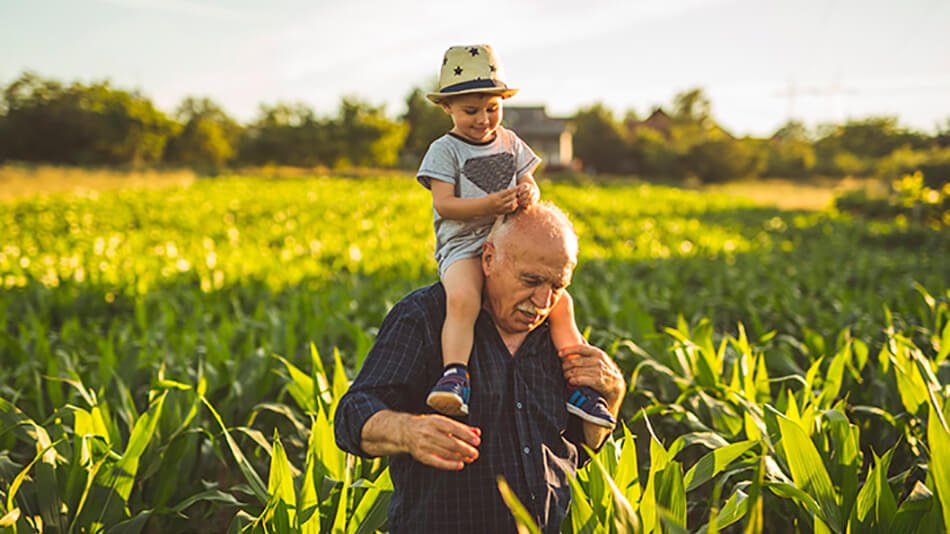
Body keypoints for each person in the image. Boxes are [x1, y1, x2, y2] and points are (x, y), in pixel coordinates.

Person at [335, 203, 626, 532]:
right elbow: (353, 414)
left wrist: (612, 394)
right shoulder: (426, 316)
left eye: (558, 286)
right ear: (489, 259)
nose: (543, 301)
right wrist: (411, 432)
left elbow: (577, 449)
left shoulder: (558, 338)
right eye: (531, 280)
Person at [417, 43, 614, 428]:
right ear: (448, 109)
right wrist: (490, 204)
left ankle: (582, 389)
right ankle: (455, 375)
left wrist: (528, 193)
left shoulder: (510, 142)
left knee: (561, 305)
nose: (483, 119)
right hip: (464, 245)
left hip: (508, 240)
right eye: (471, 111)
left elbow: (530, 183)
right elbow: (445, 206)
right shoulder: (445, 151)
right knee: (463, 298)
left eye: (492, 108)